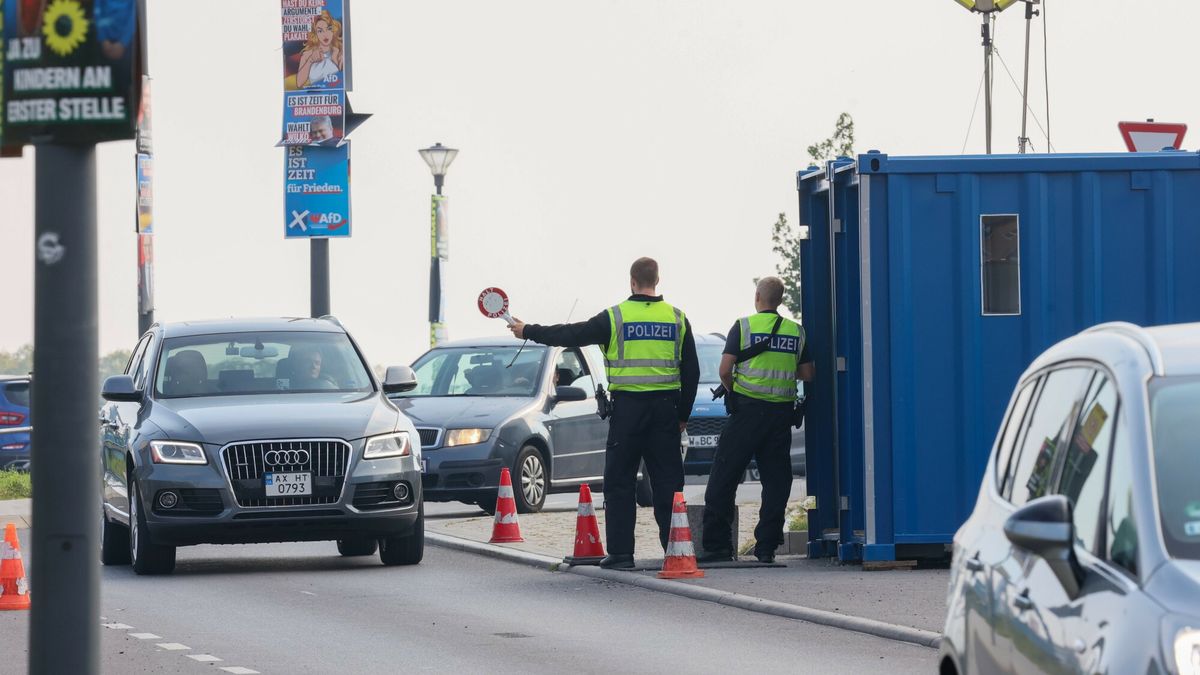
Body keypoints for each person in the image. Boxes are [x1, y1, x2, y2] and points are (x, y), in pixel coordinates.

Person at [508, 257, 699, 569]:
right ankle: (675, 550)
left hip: (628, 412)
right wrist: (683, 416)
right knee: (668, 484)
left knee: (620, 482)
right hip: (666, 410)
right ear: (657, 281)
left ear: (632, 282)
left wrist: (527, 329)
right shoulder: (677, 318)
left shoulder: (615, 317)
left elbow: (569, 334)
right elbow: (691, 371)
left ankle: (622, 554)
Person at [699, 277, 814, 564]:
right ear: (780, 299)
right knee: (777, 481)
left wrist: (733, 389)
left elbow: (725, 369)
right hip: (779, 417)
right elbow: (808, 374)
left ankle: (717, 546)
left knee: (724, 476)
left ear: (758, 296)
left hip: (747, 414)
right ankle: (766, 547)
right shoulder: (796, 331)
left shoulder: (743, 327)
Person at [297, 10, 345, 88]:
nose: (325, 34)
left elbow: (344, 81)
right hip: (315, 95)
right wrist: (310, 60)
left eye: (328, 28)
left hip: (335, 94)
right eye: (320, 31)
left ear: (333, 30)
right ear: (315, 34)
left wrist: (335, 59)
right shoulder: (308, 54)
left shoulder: (340, 49)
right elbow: (299, 84)